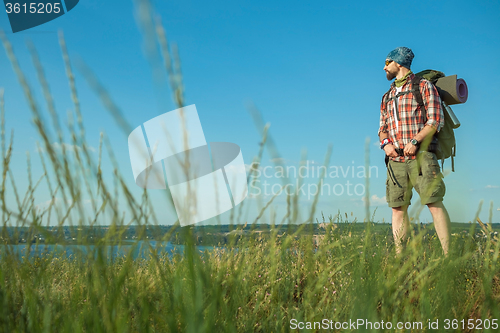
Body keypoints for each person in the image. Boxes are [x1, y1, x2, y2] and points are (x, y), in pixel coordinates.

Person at [378, 46, 451, 255]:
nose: (384, 67)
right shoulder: (387, 96)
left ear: (398, 63)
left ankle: (448, 257)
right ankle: (401, 258)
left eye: (387, 62)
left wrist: (416, 141)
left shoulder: (424, 86)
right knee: (397, 208)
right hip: (395, 161)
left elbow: (435, 120)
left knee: (434, 203)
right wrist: (386, 145)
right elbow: (382, 129)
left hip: (421, 157)